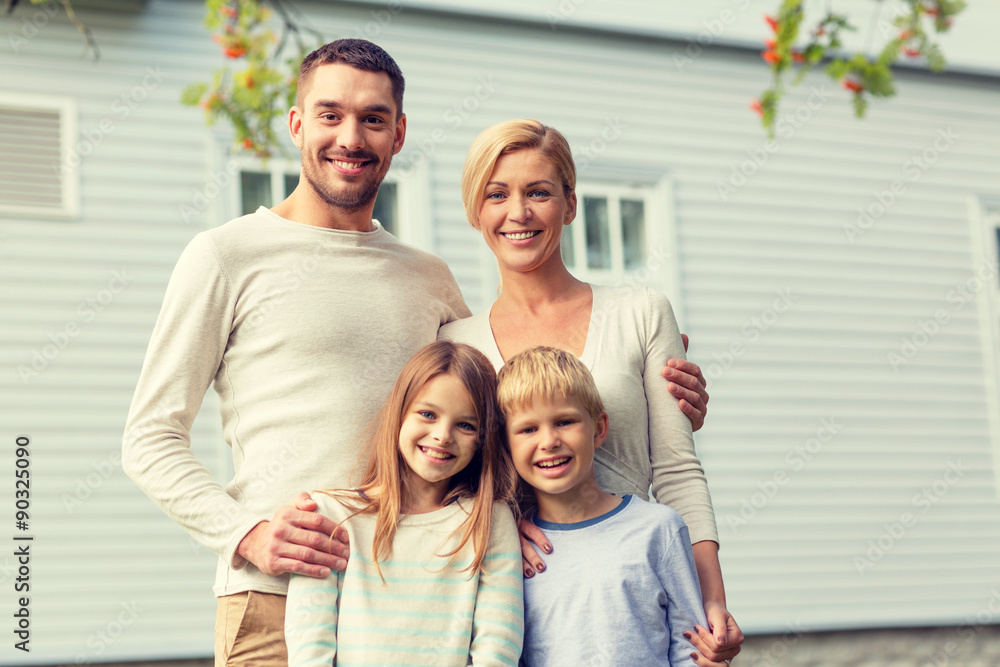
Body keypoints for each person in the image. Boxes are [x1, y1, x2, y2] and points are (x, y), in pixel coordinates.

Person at [122, 39, 708, 665]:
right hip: (279, 593)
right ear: (297, 124)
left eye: (373, 119)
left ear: (398, 134)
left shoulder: (427, 277)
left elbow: (496, 403)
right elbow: (149, 439)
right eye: (330, 115)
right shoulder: (225, 256)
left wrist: (644, 388)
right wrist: (250, 535)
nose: (351, 136)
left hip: (422, 608)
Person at [439, 119, 742, 665]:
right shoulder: (456, 343)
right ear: (475, 212)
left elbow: (676, 467)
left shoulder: (641, 313)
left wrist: (710, 600)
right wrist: (502, 525)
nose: (519, 213)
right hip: (516, 598)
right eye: (497, 194)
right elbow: (450, 482)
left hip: (626, 594)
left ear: (571, 204)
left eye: (539, 192)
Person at [285, 341, 523, 666]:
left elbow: (498, 648)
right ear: (399, 415)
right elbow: (309, 648)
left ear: (483, 438)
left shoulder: (489, 521)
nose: (442, 435)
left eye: (466, 425)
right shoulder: (330, 516)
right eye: (427, 414)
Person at [498, 346, 709, 667]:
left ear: (598, 429)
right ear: (506, 444)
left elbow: (692, 653)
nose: (549, 441)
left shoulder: (659, 530)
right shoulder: (512, 550)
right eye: (528, 429)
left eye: (565, 421)